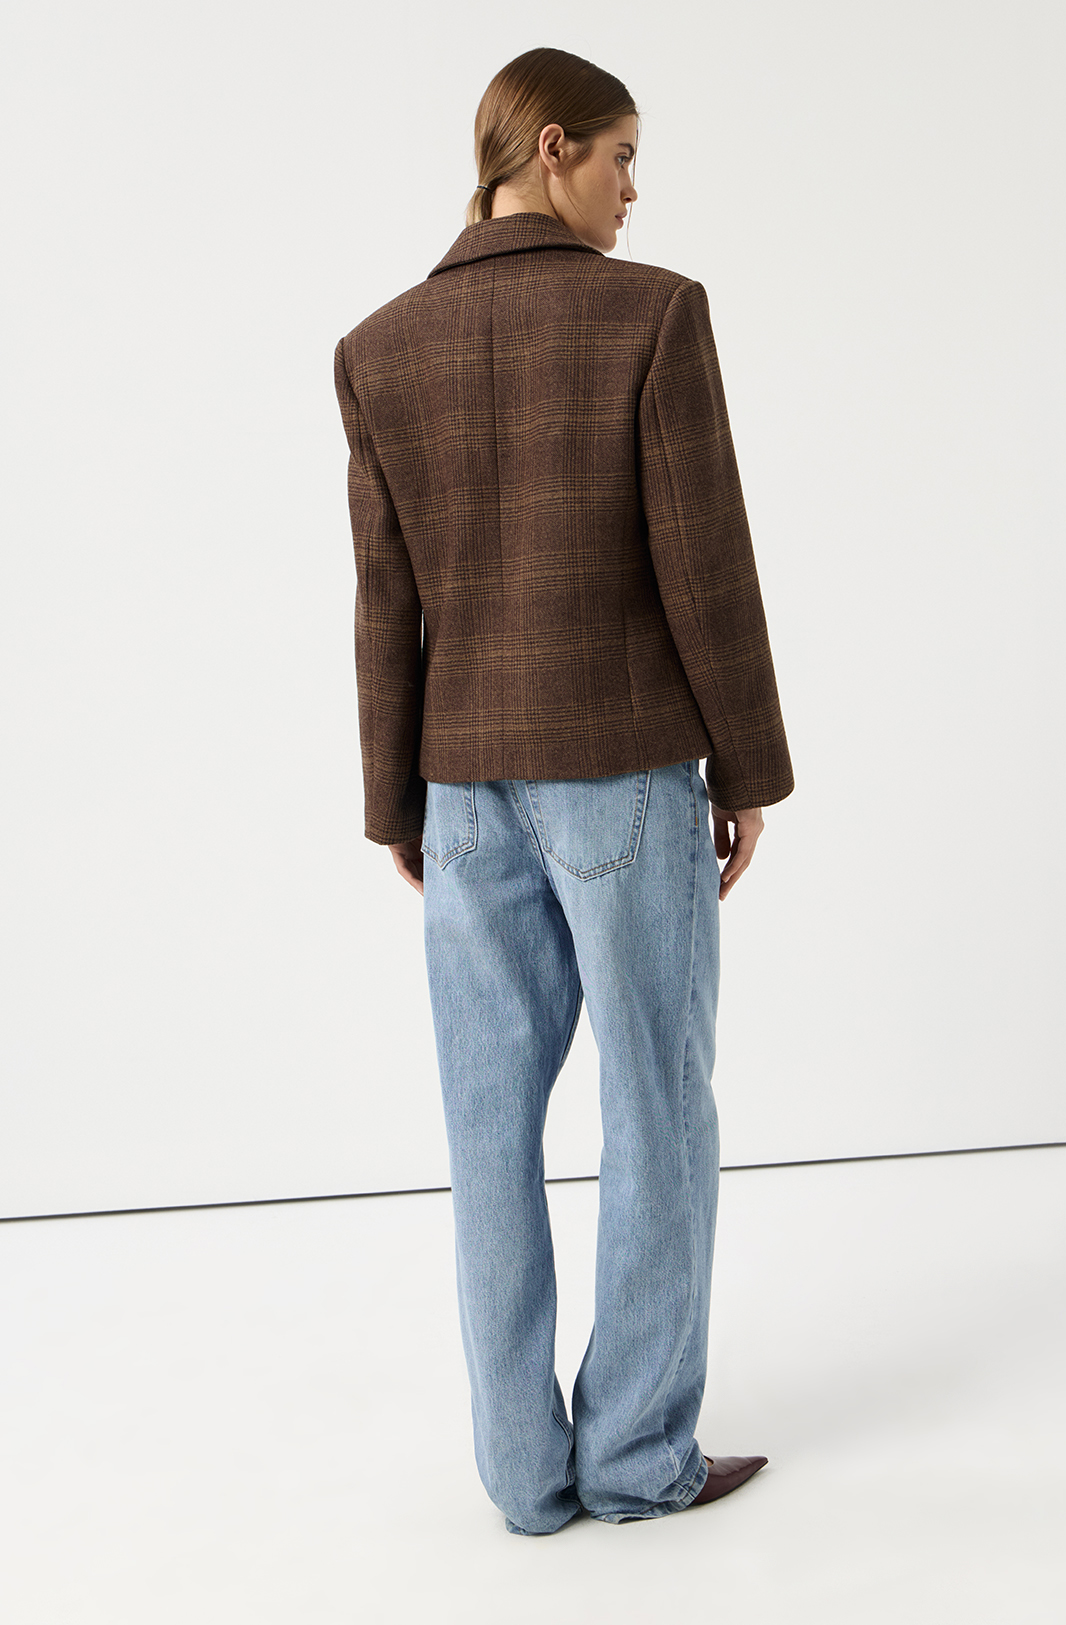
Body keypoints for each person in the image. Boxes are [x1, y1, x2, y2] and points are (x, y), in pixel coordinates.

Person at [333, 46, 794, 1535]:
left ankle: (525, 1476)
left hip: (463, 784)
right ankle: (638, 1456)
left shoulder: (378, 348)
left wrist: (397, 803)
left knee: (486, 1127)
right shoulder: (652, 315)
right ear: (550, 149)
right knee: (656, 1103)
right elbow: (706, 563)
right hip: (624, 774)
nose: (634, 190)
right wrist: (749, 769)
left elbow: (385, 600)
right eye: (621, 157)